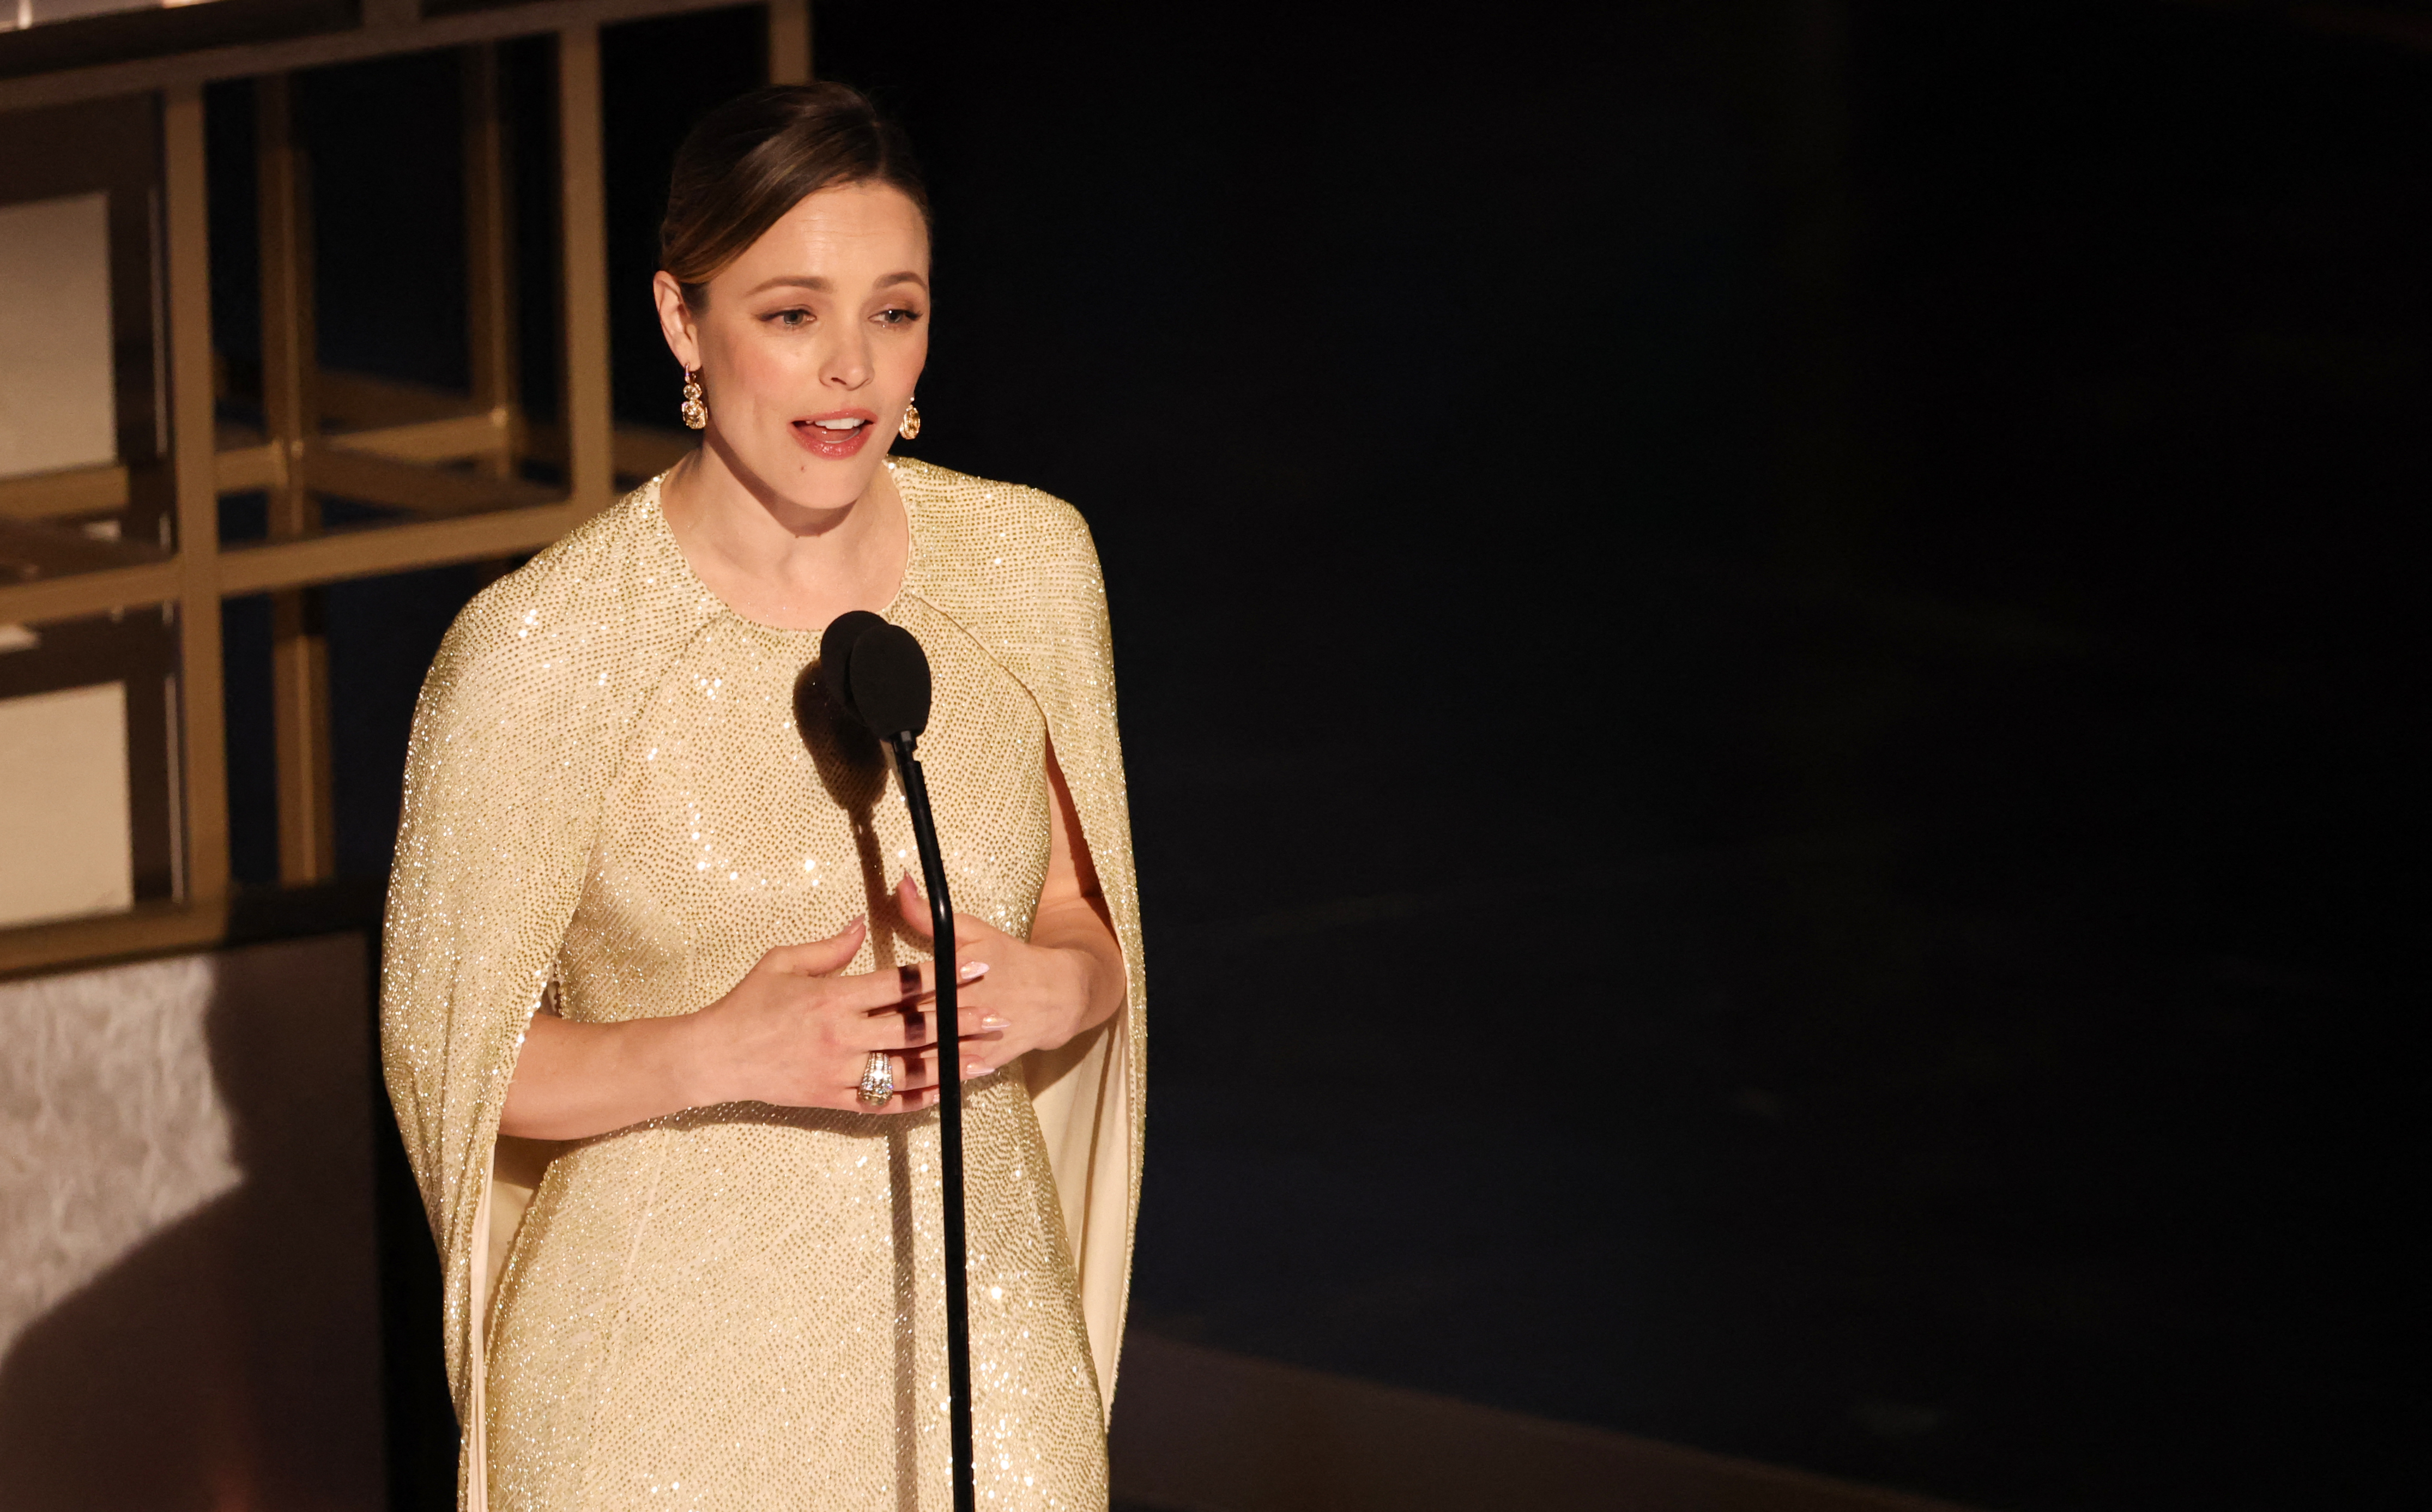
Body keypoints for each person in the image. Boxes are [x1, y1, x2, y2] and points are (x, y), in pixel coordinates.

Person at [380, 82, 1144, 1512]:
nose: (851, 369)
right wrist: (721, 1047)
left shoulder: (1031, 570)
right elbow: (454, 1068)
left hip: (982, 1353)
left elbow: (1077, 911)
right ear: (684, 321)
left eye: (895, 312)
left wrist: (1063, 992)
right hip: (652, 1393)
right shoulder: (542, 654)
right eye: (792, 314)